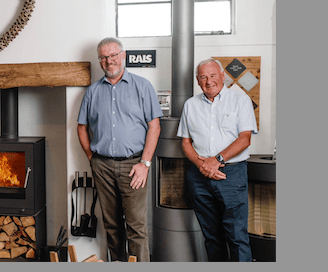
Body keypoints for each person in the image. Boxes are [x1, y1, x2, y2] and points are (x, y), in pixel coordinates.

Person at [77, 37, 162, 262]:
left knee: (136, 226)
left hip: (134, 166)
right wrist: (91, 157)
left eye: (113, 55)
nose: (109, 61)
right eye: (103, 57)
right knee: (112, 226)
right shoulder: (92, 92)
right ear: (99, 61)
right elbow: (81, 126)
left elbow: (155, 126)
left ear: (123, 56)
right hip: (102, 165)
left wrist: (145, 164)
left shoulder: (142, 86)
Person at [177, 58, 257, 261]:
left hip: (231, 175)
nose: (209, 81)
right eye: (203, 77)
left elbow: (245, 138)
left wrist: (216, 160)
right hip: (199, 176)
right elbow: (186, 143)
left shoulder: (240, 100)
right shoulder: (190, 105)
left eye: (213, 75)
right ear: (197, 80)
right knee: (211, 237)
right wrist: (202, 165)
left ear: (223, 76)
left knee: (237, 236)